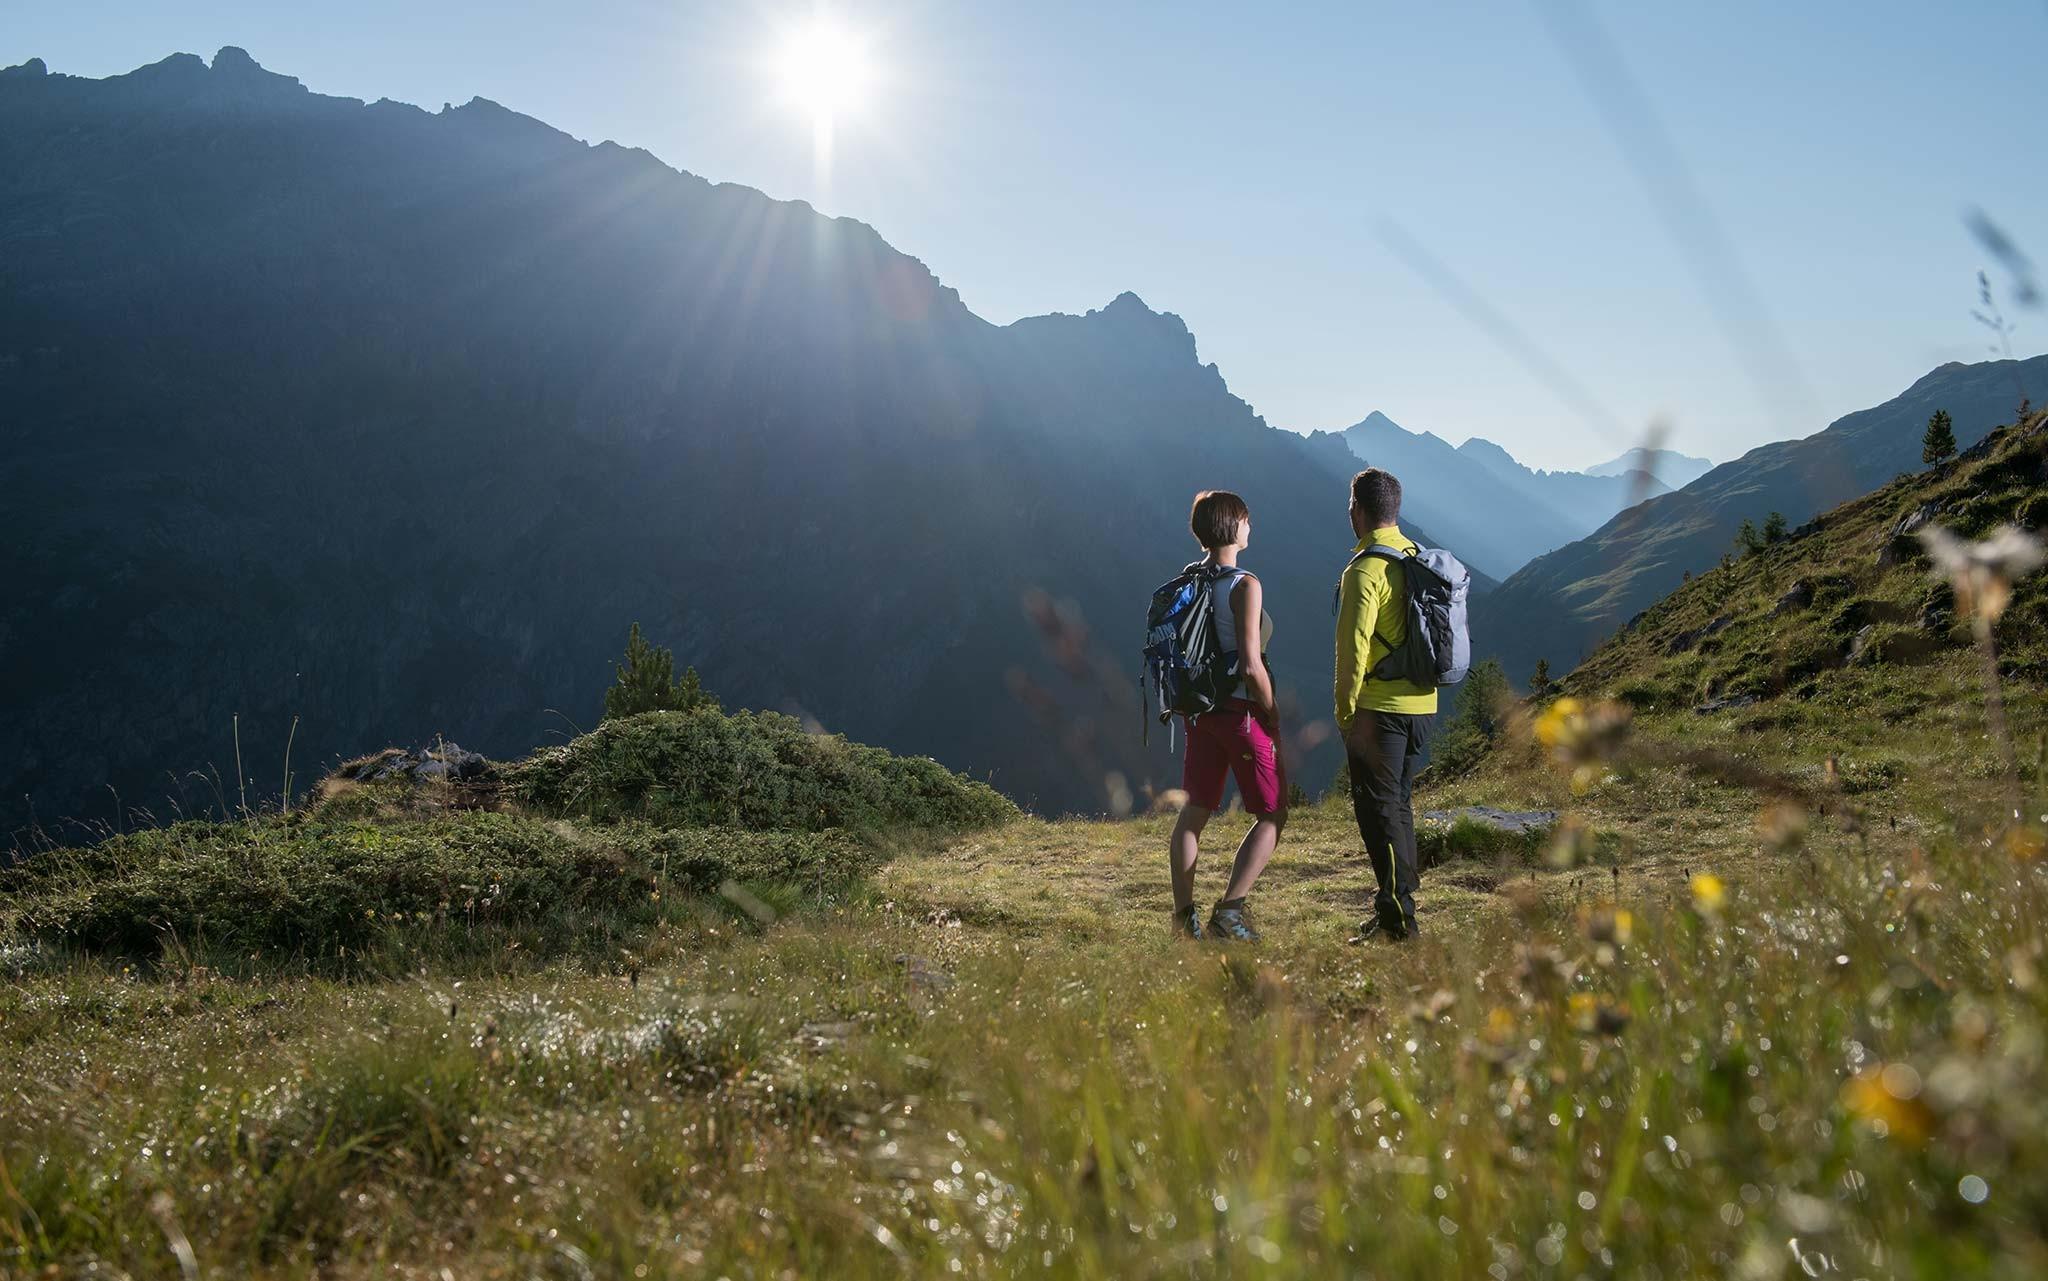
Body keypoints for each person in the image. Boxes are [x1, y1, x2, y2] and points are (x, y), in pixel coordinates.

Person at [1168, 490, 1286, 941]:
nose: (1251, 526)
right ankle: (1230, 912)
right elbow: (1252, 665)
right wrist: (1272, 713)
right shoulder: (1244, 585)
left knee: (1194, 812)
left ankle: (1183, 919)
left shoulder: (1188, 582)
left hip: (1198, 713)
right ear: (1234, 527)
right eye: (1247, 519)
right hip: (1240, 713)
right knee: (1273, 812)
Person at [1333, 468, 1437, 941]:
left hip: (1379, 710)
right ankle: (1396, 907)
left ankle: (1400, 922)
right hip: (1421, 705)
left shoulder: (1364, 570)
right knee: (1399, 806)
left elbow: (1352, 650)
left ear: (1357, 508)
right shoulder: (1414, 556)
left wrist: (1345, 712)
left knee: (1377, 813)